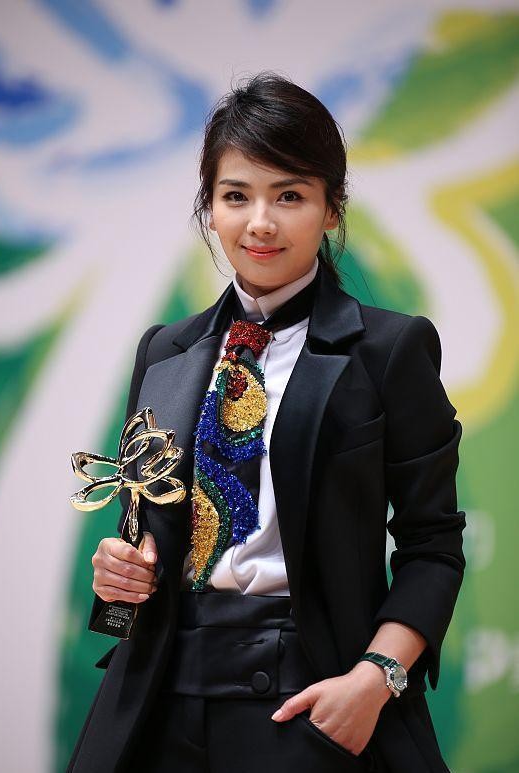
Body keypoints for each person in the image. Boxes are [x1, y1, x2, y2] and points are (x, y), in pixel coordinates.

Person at [67, 72, 466, 773]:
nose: (260, 222)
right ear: (209, 209)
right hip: (158, 699)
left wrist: (376, 678)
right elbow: (143, 536)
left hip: (306, 700)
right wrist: (119, 582)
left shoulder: (388, 350)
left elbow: (432, 543)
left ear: (331, 208)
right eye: (235, 196)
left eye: (289, 195)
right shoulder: (164, 352)